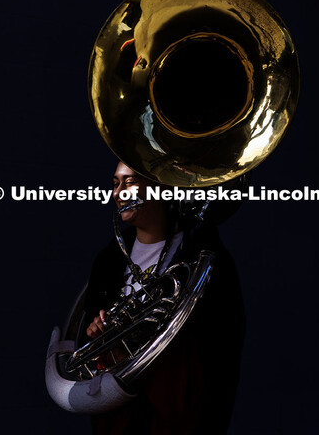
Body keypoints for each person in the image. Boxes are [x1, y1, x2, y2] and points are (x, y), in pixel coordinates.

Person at [81, 161, 246, 435]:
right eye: (115, 183)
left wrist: (134, 352)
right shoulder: (108, 260)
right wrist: (98, 333)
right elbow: (92, 334)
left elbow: (220, 350)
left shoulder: (204, 257)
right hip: (120, 418)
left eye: (130, 182)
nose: (118, 192)